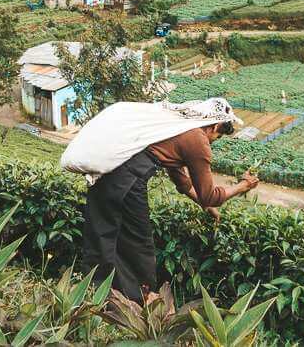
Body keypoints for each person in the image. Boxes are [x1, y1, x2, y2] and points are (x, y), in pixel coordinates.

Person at [80, 119, 259, 304]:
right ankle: (137, 299)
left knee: (105, 234)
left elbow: (182, 181)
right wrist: (243, 186)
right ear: (213, 126)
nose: (213, 141)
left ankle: (97, 293)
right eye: (217, 136)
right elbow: (209, 195)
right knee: (137, 241)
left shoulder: (180, 128)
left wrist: (207, 206)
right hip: (128, 179)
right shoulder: (198, 139)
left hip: (109, 172)